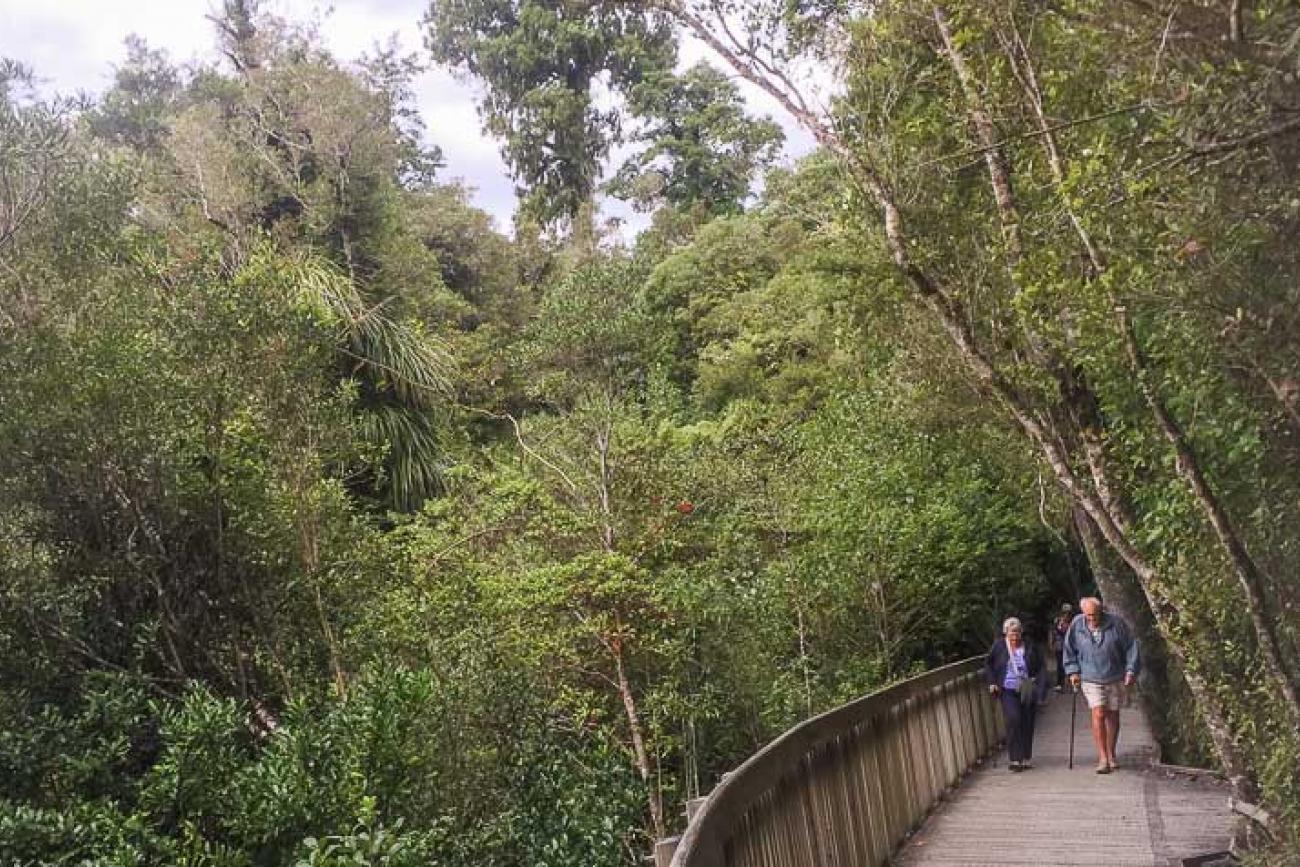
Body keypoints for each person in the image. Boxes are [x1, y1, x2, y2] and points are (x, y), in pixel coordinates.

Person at [1062, 596, 1140, 774]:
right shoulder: (1077, 625)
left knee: (1113, 715)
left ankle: (1111, 754)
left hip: (1115, 675)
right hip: (1090, 677)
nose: (1092, 619)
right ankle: (1103, 758)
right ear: (1083, 613)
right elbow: (1069, 649)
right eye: (1088, 615)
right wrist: (1073, 671)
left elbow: (1131, 646)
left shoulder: (1116, 623)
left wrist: (1131, 670)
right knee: (1098, 712)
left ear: (1102, 611)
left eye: (1095, 615)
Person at [985, 616, 1047, 771]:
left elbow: (1041, 667)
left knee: (1027, 721)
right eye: (1012, 632)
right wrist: (992, 682)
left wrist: (1040, 688)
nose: (1015, 635)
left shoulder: (1030, 645)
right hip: (1007, 688)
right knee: (1013, 719)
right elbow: (989, 664)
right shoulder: (999, 646)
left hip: (1027, 686)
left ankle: (1026, 757)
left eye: (1018, 631)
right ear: (1006, 633)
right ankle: (1015, 759)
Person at [1050, 603, 1073, 692]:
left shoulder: (1072, 621)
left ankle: (1071, 683)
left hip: (1070, 646)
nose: (1066, 614)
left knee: (1070, 664)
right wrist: (1052, 643)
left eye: (1068, 612)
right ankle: (1060, 684)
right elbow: (1054, 632)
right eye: (1065, 612)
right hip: (1059, 646)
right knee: (1060, 665)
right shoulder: (1058, 620)